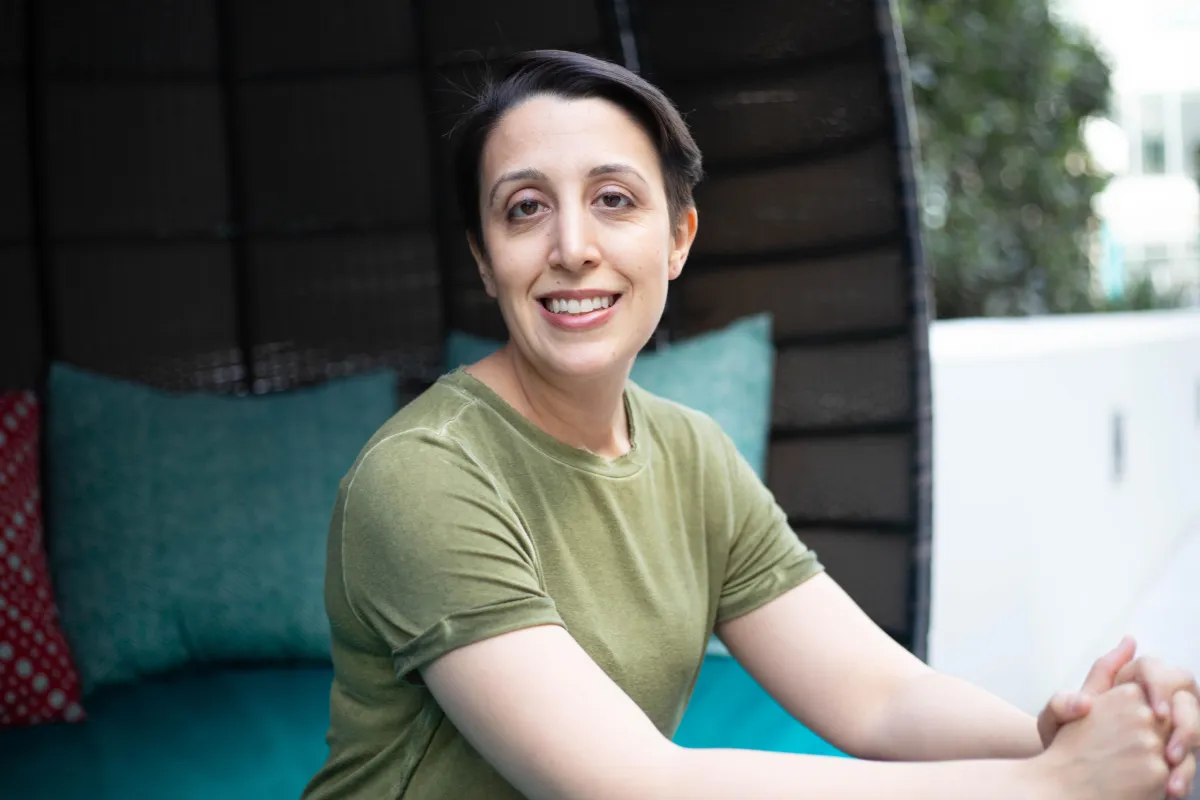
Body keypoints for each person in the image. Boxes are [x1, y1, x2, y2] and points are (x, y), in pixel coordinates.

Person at [302, 49, 1199, 799]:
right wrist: (1049, 786)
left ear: (678, 238)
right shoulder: (425, 475)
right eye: (525, 208)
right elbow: (632, 784)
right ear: (485, 257)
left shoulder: (689, 452)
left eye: (614, 199)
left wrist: (1067, 736)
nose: (572, 246)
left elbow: (879, 696)